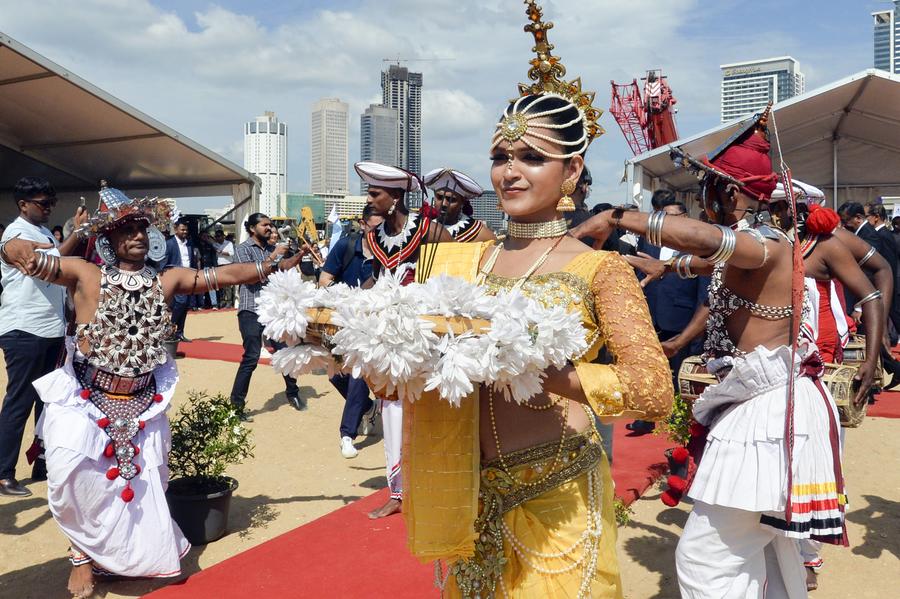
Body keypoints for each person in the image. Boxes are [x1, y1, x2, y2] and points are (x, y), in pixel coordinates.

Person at [399, 5, 672, 595]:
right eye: (501, 157)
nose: (509, 173)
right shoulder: (464, 261)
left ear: (571, 171)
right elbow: (424, 372)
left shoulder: (600, 269)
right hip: (473, 493)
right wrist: (383, 357)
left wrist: (543, 371)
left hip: (560, 494)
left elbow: (653, 390)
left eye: (531, 157)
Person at [574, 107, 858, 597]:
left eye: (705, 186)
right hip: (762, 403)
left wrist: (616, 216)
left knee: (706, 559)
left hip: (769, 413)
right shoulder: (756, 248)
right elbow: (705, 261)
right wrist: (664, 268)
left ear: (728, 191)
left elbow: (708, 242)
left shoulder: (763, 245)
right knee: (767, 550)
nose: (699, 196)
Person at [0, 184, 288, 599]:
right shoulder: (85, 272)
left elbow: (220, 276)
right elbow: (22, 254)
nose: (137, 235)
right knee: (69, 477)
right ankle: (81, 556)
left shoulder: (167, 279)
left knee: (131, 487)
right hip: (85, 398)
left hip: (141, 402)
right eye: (126, 230)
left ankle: (115, 558)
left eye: (141, 228)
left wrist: (270, 266)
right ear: (108, 238)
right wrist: (17, 252)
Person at [355, 160, 454, 520]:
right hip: (390, 338)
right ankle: (398, 492)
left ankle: (436, 485)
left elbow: (455, 275)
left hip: (426, 337)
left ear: (395, 197)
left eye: (375, 192)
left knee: (430, 410)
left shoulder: (430, 230)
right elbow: (376, 281)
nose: (369, 198)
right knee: (391, 408)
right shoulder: (372, 238)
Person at [0, 177, 87, 497]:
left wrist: (76, 233)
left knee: (49, 401)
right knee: (19, 402)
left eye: (51, 203)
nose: (49, 208)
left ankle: (42, 460)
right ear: (23, 205)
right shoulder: (16, 233)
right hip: (24, 329)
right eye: (43, 203)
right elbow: (38, 263)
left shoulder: (45, 232)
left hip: (49, 328)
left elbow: (58, 262)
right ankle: (3, 472)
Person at [627, 198, 711, 435]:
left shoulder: (697, 246)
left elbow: (704, 291)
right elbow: (638, 276)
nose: (667, 223)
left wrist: (696, 328)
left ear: (684, 218)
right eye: (663, 217)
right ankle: (647, 416)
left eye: (673, 217)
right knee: (648, 370)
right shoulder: (649, 243)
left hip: (681, 319)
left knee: (678, 374)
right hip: (651, 317)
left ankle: (677, 418)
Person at [319, 206, 384, 459]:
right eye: (375, 227)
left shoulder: (388, 252)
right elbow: (324, 279)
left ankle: (347, 435)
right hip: (341, 323)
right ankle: (368, 408)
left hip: (371, 328)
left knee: (358, 377)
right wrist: (346, 297)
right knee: (336, 376)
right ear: (363, 223)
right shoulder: (346, 246)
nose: (379, 233)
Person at [229, 213, 306, 420]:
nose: (270, 229)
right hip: (250, 310)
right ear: (252, 228)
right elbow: (250, 276)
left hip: (274, 312)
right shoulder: (242, 249)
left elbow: (283, 269)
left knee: (285, 353)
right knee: (251, 357)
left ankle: (293, 394)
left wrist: (300, 254)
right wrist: (274, 256)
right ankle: (236, 406)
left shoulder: (273, 249)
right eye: (265, 225)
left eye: (271, 225)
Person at [423, 167, 496, 242]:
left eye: (451, 199)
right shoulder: (424, 229)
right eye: (439, 197)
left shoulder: (480, 234)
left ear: (462, 202)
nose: (444, 204)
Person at [163, 220, 195, 341]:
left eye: (186, 230)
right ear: (176, 229)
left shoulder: (190, 243)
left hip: (189, 277)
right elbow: (165, 261)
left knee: (186, 304)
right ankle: (170, 328)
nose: (185, 232)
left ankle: (179, 333)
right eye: (182, 229)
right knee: (181, 302)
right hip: (175, 277)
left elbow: (192, 260)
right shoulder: (169, 244)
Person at [212, 228, 235, 308]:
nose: (218, 238)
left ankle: (229, 301)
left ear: (223, 236)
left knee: (228, 285)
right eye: (216, 236)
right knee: (221, 284)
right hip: (219, 265)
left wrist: (222, 252)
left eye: (219, 236)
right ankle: (222, 301)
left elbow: (231, 253)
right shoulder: (215, 244)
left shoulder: (229, 243)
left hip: (228, 264)